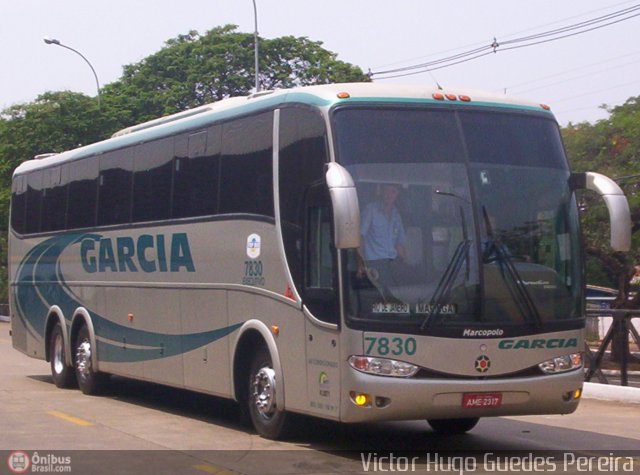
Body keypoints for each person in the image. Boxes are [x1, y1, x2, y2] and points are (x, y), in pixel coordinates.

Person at [358, 183, 407, 301]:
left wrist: (405, 265)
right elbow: (359, 237)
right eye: (387, 191)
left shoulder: (396, 214)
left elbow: (401, 243)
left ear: (397, 195)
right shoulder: (371, 210)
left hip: (393, 264)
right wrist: (360, 263)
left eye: (393, 192)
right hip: (374, 264)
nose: (390, 195)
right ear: (381, 192)